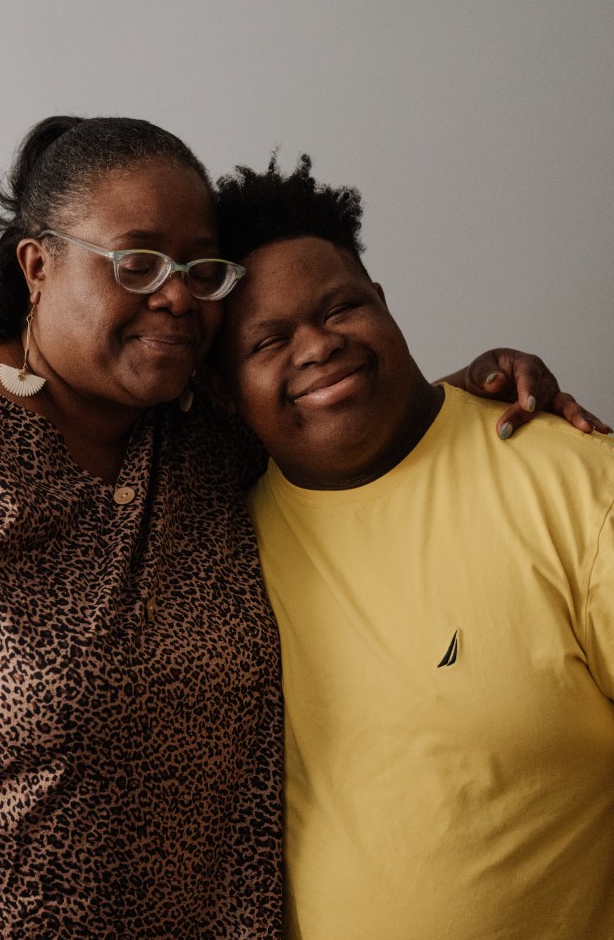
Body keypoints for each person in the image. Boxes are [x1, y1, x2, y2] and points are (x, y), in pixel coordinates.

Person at [0, 117, 600, 940]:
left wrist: (465, 391)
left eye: (198, 270)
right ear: (38, 264)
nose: (176, 295)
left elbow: (336, 403)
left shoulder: (204, 436)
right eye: (137, 261)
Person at [212, 156, 614, 939]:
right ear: (224, 390)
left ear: (384, 304)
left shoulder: (574, 483)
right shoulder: (215, 548)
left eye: (341, 308)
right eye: (269, 340)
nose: (319, 346)